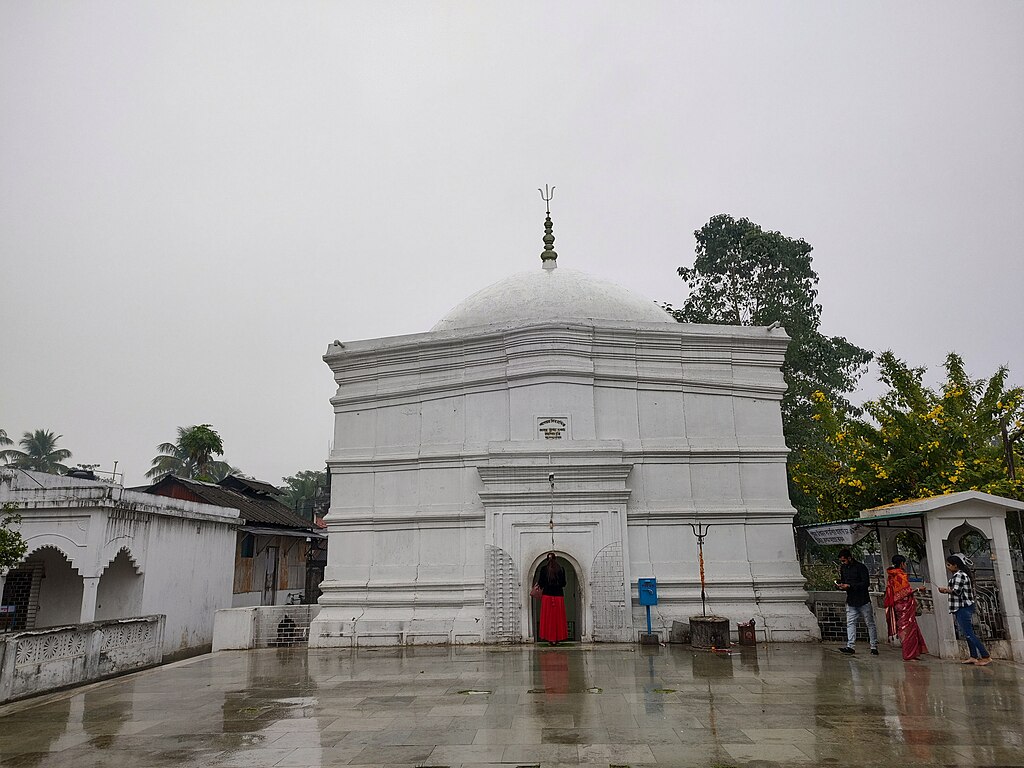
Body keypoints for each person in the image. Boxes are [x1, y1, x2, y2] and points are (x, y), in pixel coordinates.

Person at [937, 554, 991, 666]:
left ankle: (985, 656)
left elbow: (957, 591)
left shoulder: (959, 575)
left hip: (962, 606)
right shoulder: (960, 575)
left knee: (969, 633)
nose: (948, 567)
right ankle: (973, 656)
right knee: (967, 633)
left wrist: (945, 590)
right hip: (962, 606)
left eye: (949, 565)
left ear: (955, 565)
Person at [883, 554, 928, 660]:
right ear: (902, 564)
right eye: (905, 563)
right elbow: (905, 592)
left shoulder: (891, 575)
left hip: (898, 606)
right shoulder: (900, 575)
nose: (906, 565)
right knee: (908, 630)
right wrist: (918, 589)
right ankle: (909, 654)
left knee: (907, 629)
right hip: (904, 606)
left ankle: (913, 653)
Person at [836, 548, 878, 655]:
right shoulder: (843, 568)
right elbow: (844, 580)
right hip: (851, 599)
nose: (843, 563)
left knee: (869, 623)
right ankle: (850, 646)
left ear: (849, 558)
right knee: (850, 623)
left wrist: (850, 586)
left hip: (863, 599)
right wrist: (841, 585)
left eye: (844, 560)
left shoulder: (861, 567)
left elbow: (865, 583)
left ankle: (873, 646)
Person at [537, 553, 568, 645]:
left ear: (547, 560)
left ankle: (550, 639)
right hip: (559, 597)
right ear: (555, 559)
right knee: (558, 618)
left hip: (547, 596)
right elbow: (564, 584)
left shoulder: (543, 569)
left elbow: (541, 583)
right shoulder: (561, 569)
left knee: (548, 618)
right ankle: (557, 639)